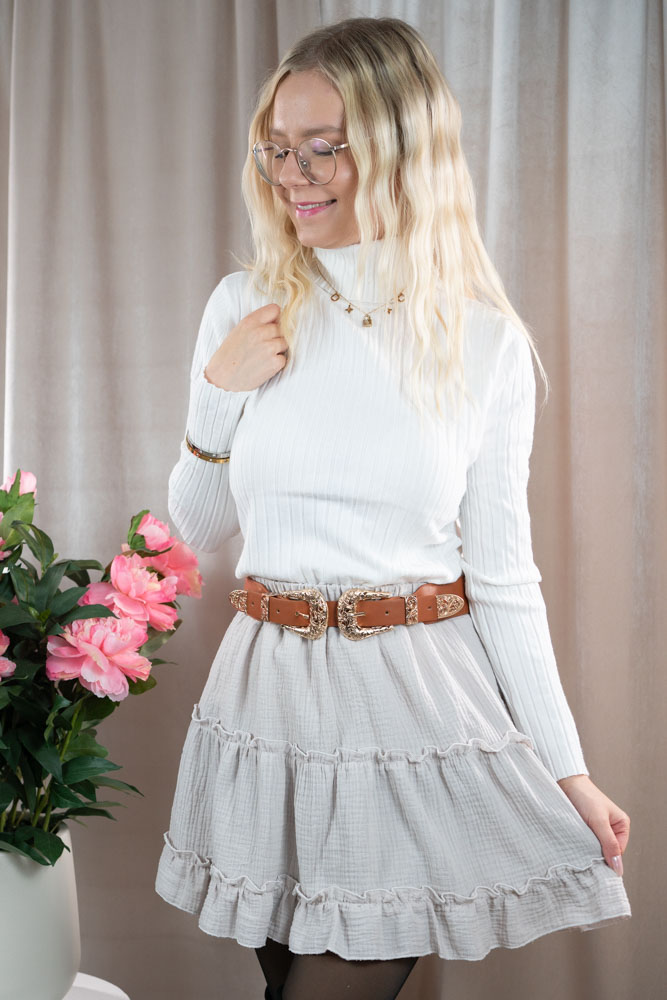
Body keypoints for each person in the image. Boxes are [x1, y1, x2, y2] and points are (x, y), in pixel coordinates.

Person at [155, 16, 631, 1000]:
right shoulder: (244, 306)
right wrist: (216, 393)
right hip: (264, 693)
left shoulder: (483, 343)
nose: (293, 176)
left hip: (408, 700)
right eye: (278, 148)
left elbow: (504, 581)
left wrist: (566, 770)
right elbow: (192, 533)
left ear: (402, 149)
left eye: (324, 148)